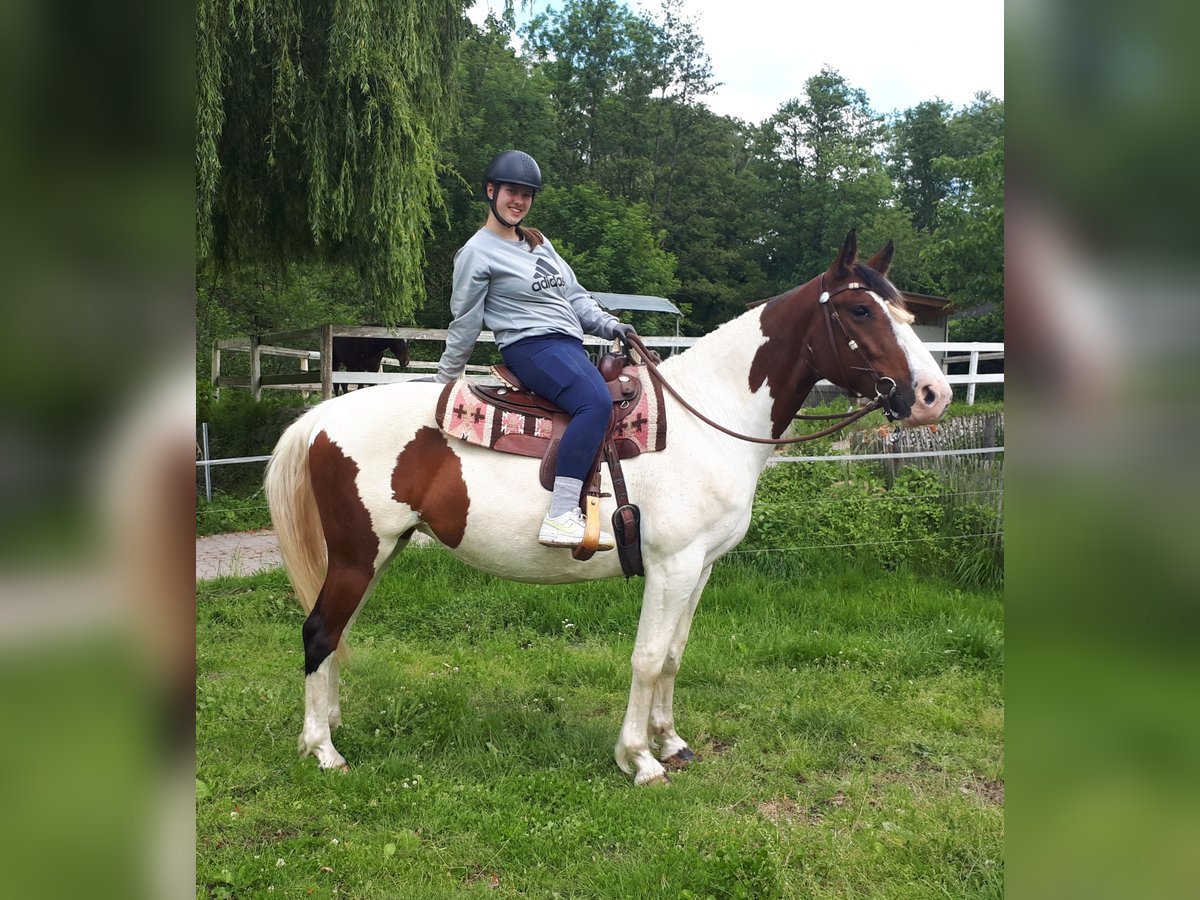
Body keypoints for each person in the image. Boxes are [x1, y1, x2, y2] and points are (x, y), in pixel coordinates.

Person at [432, 150, 636, 550]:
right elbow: (466, 322)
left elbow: (575, 297)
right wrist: (443, 380)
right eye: (512, 191)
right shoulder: (477, 251)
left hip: (568, 345)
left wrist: (610, 324)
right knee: (594, 403)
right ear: (491, 191)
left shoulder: (540, 244)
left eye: (527, 194)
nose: (519, 201)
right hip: (531, 347)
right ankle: (561, 516)